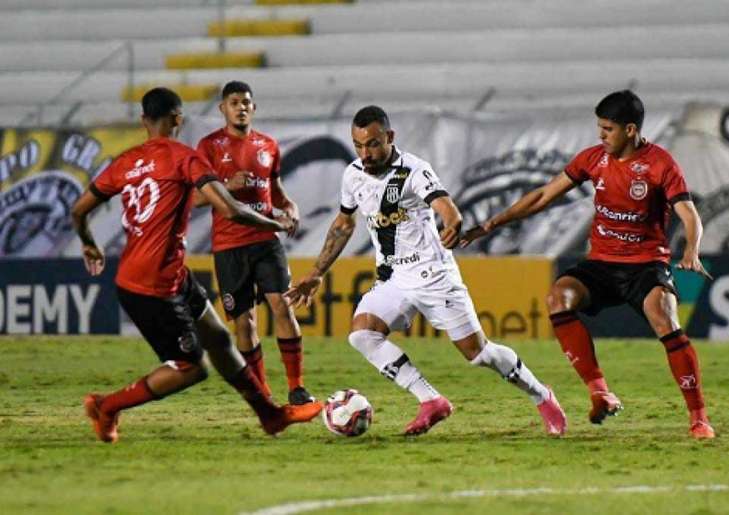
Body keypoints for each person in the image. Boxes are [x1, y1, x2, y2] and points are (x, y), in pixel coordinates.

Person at [285, 105, 566, 436]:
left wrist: (453, 223)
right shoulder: (353, 174)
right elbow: (345, 222)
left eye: (373, 144)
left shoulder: (414, 171)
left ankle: (541, 395)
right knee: (362, 334)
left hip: (434, 275)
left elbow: (447, 208)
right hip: (393, 277)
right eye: (358, 145)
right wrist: (318, 270)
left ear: (390, 137)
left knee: (479, 354)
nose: (366, 153)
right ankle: (431, 400)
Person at [70, 87, 321, 444]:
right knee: (191, 368)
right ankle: (106, 405)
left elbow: (78, 210)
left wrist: (89, 243)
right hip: (151, 286)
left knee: (219, 337)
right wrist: (276, 225)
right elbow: (230, 209)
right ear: (178, 118)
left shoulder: (125, 162)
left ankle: (270, 415)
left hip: (168, 274)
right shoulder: (183, 157)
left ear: (144, 121)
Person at [461, 90, 715, 439]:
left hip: (645, 264)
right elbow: (543, 195)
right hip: (601, 263)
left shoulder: (660, 164)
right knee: (558, 298)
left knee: (663, 314)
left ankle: (698, 417)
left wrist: (692, 250)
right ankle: (600, 391)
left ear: (630, 130)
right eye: (599, 127)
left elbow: (690, 214)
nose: (601, 135)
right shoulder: (594, 159)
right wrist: (492, 224)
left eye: (607, 128)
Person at [193, 81, 313, 405]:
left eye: (246, 102)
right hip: (229, 247)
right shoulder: (208, 147)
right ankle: (262, 395)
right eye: (234, 102)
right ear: (223, 109)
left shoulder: (269, 145)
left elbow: (276, 192)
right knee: (244, 324)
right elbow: (192, 199)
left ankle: (297, 387)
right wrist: (225, 188)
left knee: (282, 307)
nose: (241, 107)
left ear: (254, 108)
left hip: (266, 240)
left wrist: (290, 208)